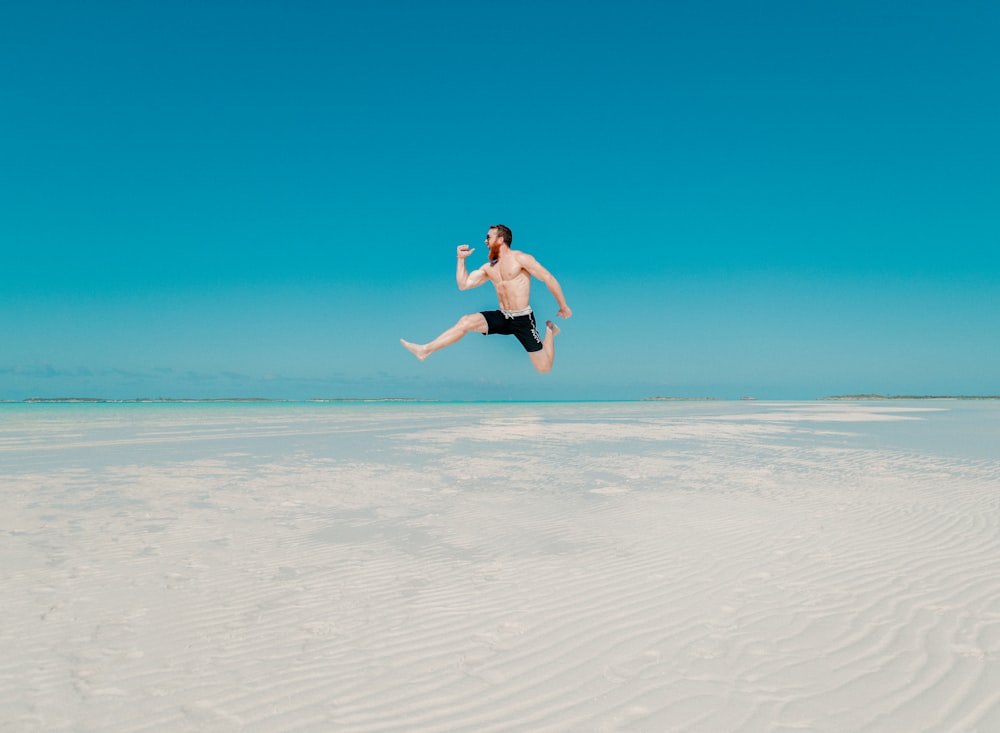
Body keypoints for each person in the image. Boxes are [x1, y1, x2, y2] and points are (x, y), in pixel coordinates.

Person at [400, 224, 572, 374]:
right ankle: (425, 350)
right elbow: (464, 284)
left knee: (544, 369)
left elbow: (548, 278)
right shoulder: (489, 268)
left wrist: (563, 306)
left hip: (522, 319)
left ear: (500, 239)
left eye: (488, 237)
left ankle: (550, 331)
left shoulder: (521, 258)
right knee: (466, 321)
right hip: (503, 316)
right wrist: (461, 259)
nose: (485, 241)